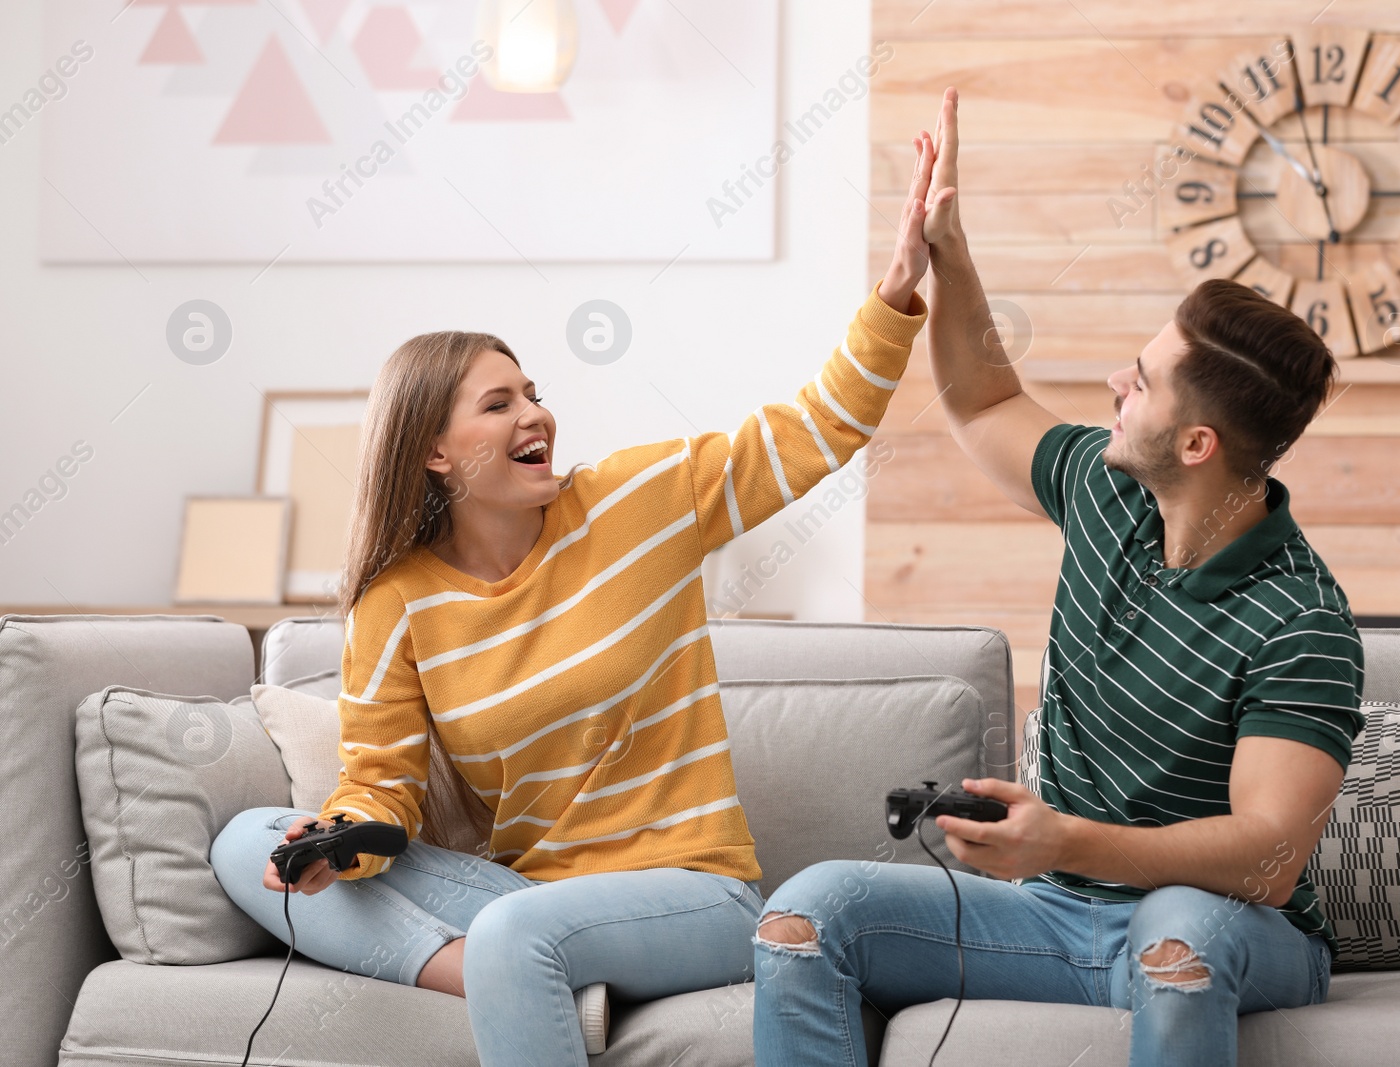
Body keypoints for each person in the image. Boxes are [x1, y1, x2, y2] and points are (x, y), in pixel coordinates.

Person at [208, 138, 943, 1067]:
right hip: (520, 895)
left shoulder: (638, 501)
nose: (535, 416)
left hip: (690, 893)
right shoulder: (396, 602)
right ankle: (483, 969)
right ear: (434, 452)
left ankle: (515, 965)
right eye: (498, 403)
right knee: (248, 842)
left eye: (534, 394)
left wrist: (896, 294)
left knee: (524, 935)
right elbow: (381, 784)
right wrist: (344, 837)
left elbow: (816, 430)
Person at [752, 88, 1365, 1067]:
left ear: (1197, 442)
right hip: (1048, 915)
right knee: (806, 914)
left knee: (1178, 935)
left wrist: (1061, 838)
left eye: (1141, 381)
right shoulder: (1107, 490)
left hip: (1222, 929)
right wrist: (948, 245)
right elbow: (984, 392)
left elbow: (1266, 852)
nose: (1114, 387)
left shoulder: (1299, 619)